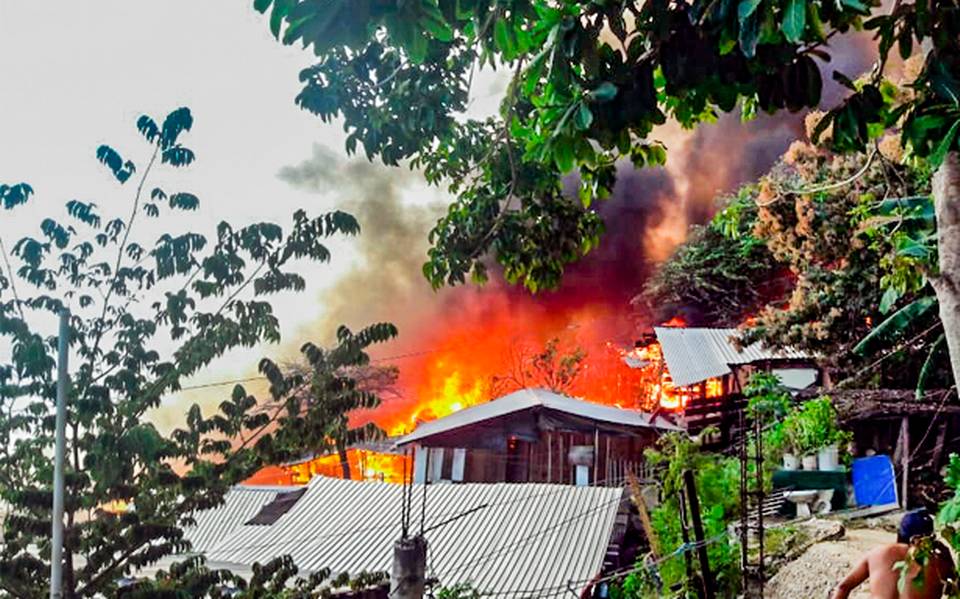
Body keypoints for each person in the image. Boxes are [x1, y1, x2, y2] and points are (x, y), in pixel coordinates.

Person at [830, 509, 955, 599]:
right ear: (930, 539)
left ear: (900, 533)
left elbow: (843, 587)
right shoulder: (938, 563)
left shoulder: (878, 553)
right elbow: (955, 588)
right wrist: (948, 558)